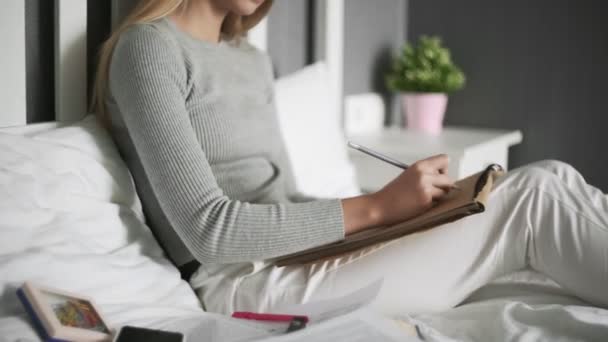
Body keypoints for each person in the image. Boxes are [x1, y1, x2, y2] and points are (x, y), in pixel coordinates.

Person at [92, 0, 608, 316]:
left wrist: (405, 212)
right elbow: (208, 231)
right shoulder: (148, 50)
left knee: (552, 179)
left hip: (304, 255)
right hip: (243, 281)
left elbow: (287, 200)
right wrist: (379, 208)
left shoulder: (250, 58)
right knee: (535, 197)